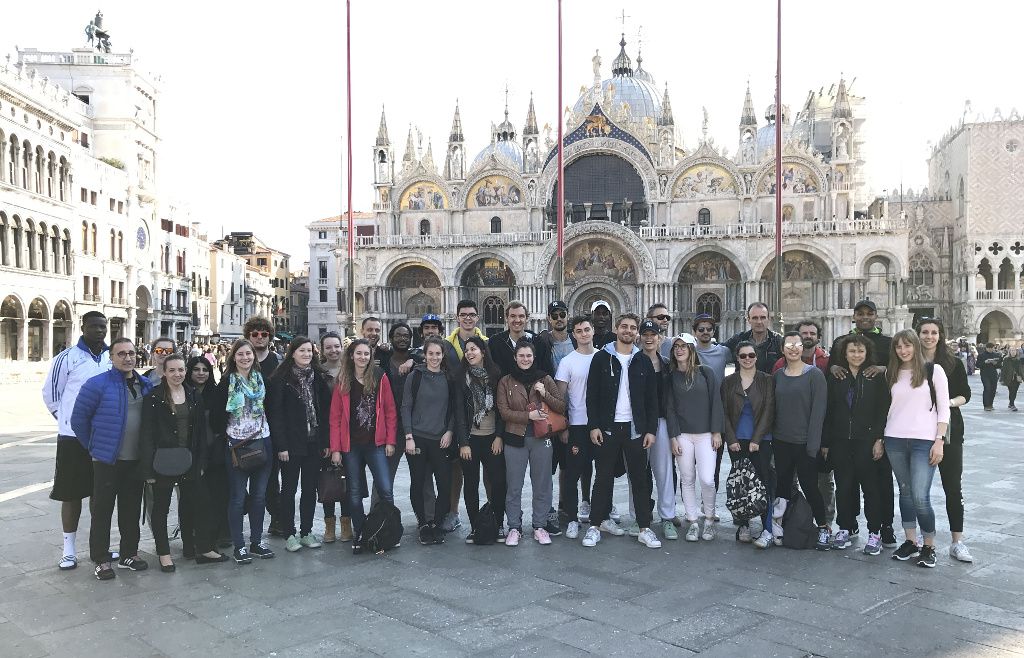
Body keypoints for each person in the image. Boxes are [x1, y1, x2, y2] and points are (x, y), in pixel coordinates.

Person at [70, 337, 154, 580]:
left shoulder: (145, 384)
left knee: (130, 509)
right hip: (107, 461)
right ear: (111, 357)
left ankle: (129, 554)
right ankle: (101, 559)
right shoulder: (96, 384)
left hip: (135, 460)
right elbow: (78, 420)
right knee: (102, 510)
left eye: (131, 353)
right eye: (121, 354)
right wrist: (95, 447)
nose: (128, 358)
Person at [140, 354, 228, 571]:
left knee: (202, 503)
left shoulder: (192, 395)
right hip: (163, 461)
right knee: (161, 508)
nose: (177, 374)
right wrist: (148, 468)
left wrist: (200, 462)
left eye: (181, 370)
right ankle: (164, 553)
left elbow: (198, 433)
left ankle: (204, 548)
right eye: (172, 370)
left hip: (189, 460)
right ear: (165, 372)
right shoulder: (154, 397)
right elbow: (147, 434)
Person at [582, 313, 662, 549]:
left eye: (632, 328)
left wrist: (651, 430)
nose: (628, 331)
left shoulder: (643, 361)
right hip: (607, 427)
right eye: (624, 326)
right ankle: (595, 526)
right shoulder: (601, 358)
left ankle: (644, 528)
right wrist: (594, 425)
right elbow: (591, 395)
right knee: (603, 478)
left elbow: (651, 400)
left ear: (636, 332)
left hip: (635, 429)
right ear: (616, 329)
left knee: (639, 480)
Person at [42, 311, 111, 571]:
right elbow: (51, 394)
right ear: (83, 327)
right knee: (70, 494)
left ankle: (98, 546)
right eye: (94, 326)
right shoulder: (67, 358)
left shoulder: (110, 357)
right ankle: (68, 550)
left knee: (100, 494)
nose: (99, 331)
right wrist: (68, 421)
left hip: (103, 437)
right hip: (72, 438)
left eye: (103, 326)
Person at [828, 299, 897, 548]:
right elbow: (831, 375)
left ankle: (882, 527)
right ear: (854, 316)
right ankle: (848, 525)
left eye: (870, 313)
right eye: (860, 313)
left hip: (870, 435)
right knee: (845, 483)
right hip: (843, 436)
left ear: (876, 316)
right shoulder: (840, 342)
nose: (865, 317)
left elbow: (897, 373)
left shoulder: (888, 343)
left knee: (878, 484)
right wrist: (834, 365)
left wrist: (883, 368)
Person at [884, 329, 949, 568]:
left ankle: (929, 545)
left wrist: (939, 440)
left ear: (915, 346)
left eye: (907, 345)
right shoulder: (892, 372)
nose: (903, 351)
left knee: (921, 496)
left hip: (924, 440)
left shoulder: (934, 370)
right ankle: (911, 541)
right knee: (905, 491)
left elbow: (944, 409)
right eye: (899, 347)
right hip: (894, 439)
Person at [209, 338, 275, 564]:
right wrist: (227, 434)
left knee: (259, 496)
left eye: (248, 354)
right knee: (237, 497)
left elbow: (272, 408)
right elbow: (217, 415)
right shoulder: (226, 382)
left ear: (253, 357)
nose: (245, 358)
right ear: (233, 358)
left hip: (263, 441)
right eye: (240, 355)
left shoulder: (262, 380)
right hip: (236, 445)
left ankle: (256, 542)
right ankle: (239, 545)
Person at [329, 338, 397, 554]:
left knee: (385, 489)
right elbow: (336, 417)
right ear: (351, 356)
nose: (363, 357)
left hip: (375, 443)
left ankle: (388, 529)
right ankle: (360, 532)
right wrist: (336, 448)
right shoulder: (343, 380)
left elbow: (389, 411)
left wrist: (390, 440)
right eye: (359, 353)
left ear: (371, 356)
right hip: (351, 446)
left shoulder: (379, 377)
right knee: (355, 492)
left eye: (366, 354)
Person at [496, 340, 566, 546]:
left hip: (541, 438)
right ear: (515, 358)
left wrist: (544, 393)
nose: (525, 359)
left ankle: (540, 525)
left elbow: (561, 406)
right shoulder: (505, 381)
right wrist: (529, 416)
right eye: (521, 356)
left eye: (528, 356)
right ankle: (514, 527)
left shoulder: (545, 378)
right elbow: (504, 412)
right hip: (514, 439)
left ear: (534, 357)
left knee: (543, 484)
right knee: (514, 485)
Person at [267, 337, 332, 553]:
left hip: (313, 442)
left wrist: (326, 441)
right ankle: (289, 533)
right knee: (288, 488)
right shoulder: (280, 379)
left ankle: (306, 531)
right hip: (291, 443)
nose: (306, 354)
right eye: (302, 351)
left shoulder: (318, 378)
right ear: (292, 352)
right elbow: (276, 415)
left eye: (309, 351)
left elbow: (324, 412)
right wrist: (281, 446)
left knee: (309, 489)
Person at [918, 318, 974, 563]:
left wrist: (946, 405)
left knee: (952, 486)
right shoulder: (911, 361)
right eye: (925, 332)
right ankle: (921, 539)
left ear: (940, 335)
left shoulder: (953, 363)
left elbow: (966, 395)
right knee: (919, 490)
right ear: (918, 334)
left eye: (934, 332)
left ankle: (957, 541)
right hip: (918, 430)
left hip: (950, 430)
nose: (929, 336)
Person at [772, 320, 835, 529]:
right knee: (782, 485)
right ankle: (779, 525)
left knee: (810, 486)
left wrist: (813, 446)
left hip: (805, 443)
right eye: (788, 345)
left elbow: (818, 413)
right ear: (782, 349)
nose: (793, 349)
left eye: (797, 345)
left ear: (803, 348)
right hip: (781, 441)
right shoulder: (778, 375)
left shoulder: (815, 375)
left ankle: (823, 526)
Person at [666, 333, 724, 542]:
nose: (679, 350)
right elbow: (670, 408)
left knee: (708, 479)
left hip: (706, 434)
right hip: (682, 435)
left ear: (692, 349)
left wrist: (716, 431)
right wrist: (673, 437)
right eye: (676, 347)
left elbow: (716, 402)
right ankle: (692, 521)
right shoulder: (671, 376)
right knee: (687, 479)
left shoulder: (706, 373)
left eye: (684, 346)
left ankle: (708, 519)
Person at [402, 336, 457, 546]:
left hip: (440, 439)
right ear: (424, 355)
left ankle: (437, 523)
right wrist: (408, 436)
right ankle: (423, 524)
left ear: (443, 356)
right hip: (417, 438)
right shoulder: (415, 376)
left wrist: (450, 431)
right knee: (418, 482)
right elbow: (406, 406)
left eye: (438, 354)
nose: (434, 357)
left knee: (444, 484)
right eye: (431, 353)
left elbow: (453, 408)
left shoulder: (449, 378)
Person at [723, 341, 776, 549]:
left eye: (751, 355)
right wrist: (731, 439)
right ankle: (743, 525)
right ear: (737, 357)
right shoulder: (728, 382)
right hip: (737, 440)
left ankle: (767, 529)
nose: (747, 359)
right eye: (743, 356)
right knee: (740, 484)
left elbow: (769, 410)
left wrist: (756, 439)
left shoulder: (767, 380)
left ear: (756, 357)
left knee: (763, 483)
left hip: (761, 440)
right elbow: (724, 413)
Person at [455, 335, 507, 544]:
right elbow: (459, 412)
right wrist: (463, 443)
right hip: (471, 440)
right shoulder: (461, 378)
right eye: (467, 350)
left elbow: (502, 410)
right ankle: (476, 526)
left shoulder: (496, 375)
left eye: (473, 349)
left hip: (492, 438)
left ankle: (498, 523)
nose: (469, 353)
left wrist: (499, 437)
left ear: (483, 352)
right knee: (471, 484)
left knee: (498, 483)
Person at [555, 316, 598, 539]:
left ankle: (597, 510)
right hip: (577, 425)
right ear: (574, 335)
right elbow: (560, 398)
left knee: (602, 471)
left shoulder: (603, 357)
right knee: (572, 472)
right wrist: (563, 426)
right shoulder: (567, 362)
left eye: (587, 329)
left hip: (600, 424)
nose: (583, 334)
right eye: (579, 331)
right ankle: (572, 518)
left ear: (593, 331)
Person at [186, 355, 230, 549]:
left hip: (215, 451)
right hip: (191, 451)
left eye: (205, 370)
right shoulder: (183, 392)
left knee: (219, 492)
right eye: (196, 369)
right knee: (195, 496)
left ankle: (222, 532)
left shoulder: (217, 391)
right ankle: (195, 535)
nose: (201, 373)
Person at [244, 317, 282, 535]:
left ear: (269, 336)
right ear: (248, 336)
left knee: (270, 477)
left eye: (264, 334)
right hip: (245, 429)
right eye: (255, 334)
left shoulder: (277, 361)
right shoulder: (242, 359)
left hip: (271, 427)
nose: (259, 337)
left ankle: (276, 518)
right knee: (243, 477)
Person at [638, 320, 675, 539]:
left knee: (664, 472)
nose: (649, 338)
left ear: (660, 338)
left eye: (654, 334)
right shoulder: (633, 362)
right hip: (639, 423)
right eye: (645, 334)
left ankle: (667, 517)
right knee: (638, 473)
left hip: (661, 422)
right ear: (640, 337)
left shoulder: (667, 364)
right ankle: (638, 516)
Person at [318, 331, 352, 543]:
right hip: (326, 432)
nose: (333, 350)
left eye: (336, 346)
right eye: (328, 347)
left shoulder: (350, 370)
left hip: (348, 433)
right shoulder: (317, 372)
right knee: (327, 479)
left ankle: (346, 524)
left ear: (342, 347)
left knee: (347, 480)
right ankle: (329, 525)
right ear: (322, 350)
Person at [722, 302, 783, 374]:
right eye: (755, 318)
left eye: (763, 317)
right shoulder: (739, 339)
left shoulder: (778, 341)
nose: (759, 322)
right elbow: (716, 352)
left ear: (768, 319)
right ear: (748, 320)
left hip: (770, 384)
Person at [977, 342, 1002, 411]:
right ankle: (986, 405)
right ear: (986, 348)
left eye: (992, 348)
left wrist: (995, 363)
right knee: (987, 388)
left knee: (993, 389)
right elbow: (977, 365)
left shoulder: (996, 355)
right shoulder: (981, 355)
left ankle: (990, 404)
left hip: (993, 374)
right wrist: (985, 362)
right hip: (985, 374)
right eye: (990, 348)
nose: (991, 350)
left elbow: (1000, 365)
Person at [1001, 346, 1022, 412]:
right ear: (1009, 352)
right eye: (1012, 350)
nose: (1013, 352)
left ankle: (1011, 403)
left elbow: (1021, 370)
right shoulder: (1006, 359)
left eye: (1014, 350)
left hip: (1017, 378)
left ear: (1016, 352)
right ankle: (1012, 404)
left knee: (1014, 391)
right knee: (1011, 391)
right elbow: (1003, 369)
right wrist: (1002, 378)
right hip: (1009, 378)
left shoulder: (1018, 359)